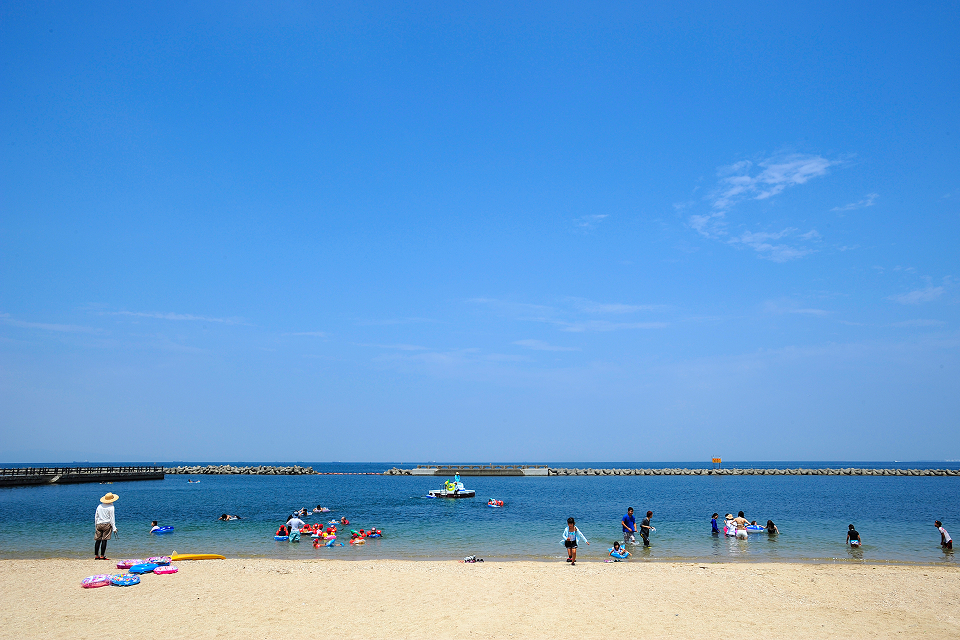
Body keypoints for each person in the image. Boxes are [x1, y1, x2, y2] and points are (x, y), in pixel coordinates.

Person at [94, 492, 118, 560]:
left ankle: (96, 555)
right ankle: (102, 556)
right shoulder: (111, 507)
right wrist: (114, 528)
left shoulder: (99, 506)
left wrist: (96, 525)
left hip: (99, 524)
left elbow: (96, 516)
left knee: (98, 540)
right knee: (104, 540)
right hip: (107, 524)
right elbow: (112, 518)